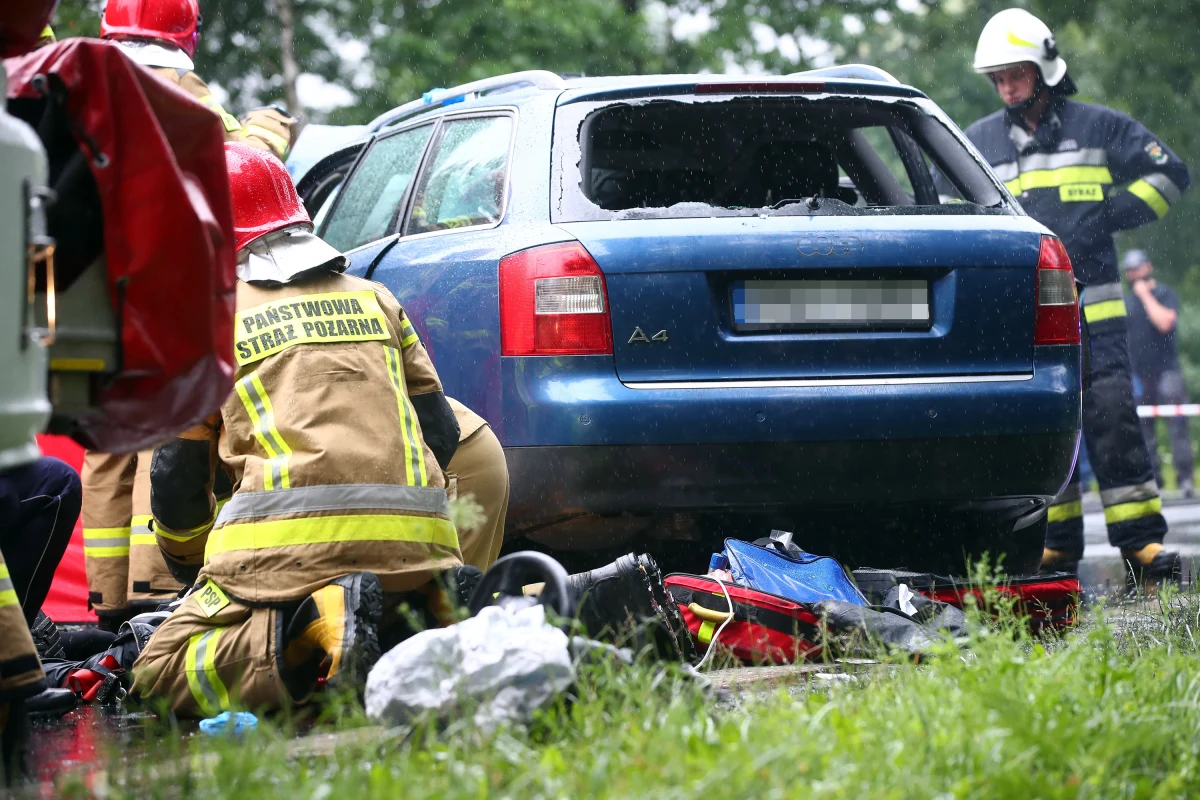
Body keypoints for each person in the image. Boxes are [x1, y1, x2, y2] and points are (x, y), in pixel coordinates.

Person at [129, 143, 463, 716]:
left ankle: (302, 629)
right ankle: (477, 602)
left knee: (156, 672)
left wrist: (191, 568)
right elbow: (440, 430)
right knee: (389, 632)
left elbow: (178, 483)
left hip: (283, 560)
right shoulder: (377, 298)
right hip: (420, 546)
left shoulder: (204, 321)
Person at [82, 0, 301, 628]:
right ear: (187, 32)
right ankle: (157, 590)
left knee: (108, 443)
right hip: (163, 286)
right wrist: (268, 131)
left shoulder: (87, 83)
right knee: (163, 433)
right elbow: (237, 173)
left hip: (96, 285)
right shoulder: (181, 88)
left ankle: (107, 601)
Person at [963, 8, 1191, 583]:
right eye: (999, 77)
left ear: (1043, 68)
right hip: (1029, 320)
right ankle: (1056, 545)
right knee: (1044, 426)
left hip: (1101, 312)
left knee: (1113, 419)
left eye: (1016, 73)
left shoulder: (1099, 127)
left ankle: (1141, 543)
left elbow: (1171, 175)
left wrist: (1110, 214)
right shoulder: (978, 142)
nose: (1008, 86)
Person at [1123, 249, 1195, 496]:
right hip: (1139, 375)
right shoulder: (1127, 302)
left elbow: (1165, 323)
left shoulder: (1164, 294)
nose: (1133, 274)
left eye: (1136, 268)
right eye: (1129, 270)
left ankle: (1185, 479)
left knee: (1177, 426)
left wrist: (1145, 297)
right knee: (1144, 432)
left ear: (1147, 267)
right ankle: (1155, 482)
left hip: (1167, 372)